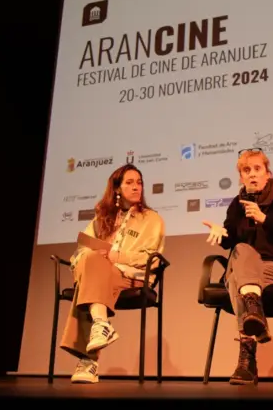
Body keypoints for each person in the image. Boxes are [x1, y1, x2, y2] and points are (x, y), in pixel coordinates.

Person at [202, 148, 273, 386]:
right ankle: (253, 310)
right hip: (248, 269)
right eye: (246, 170)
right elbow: (230, 239)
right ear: (240, 177)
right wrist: (221, 234)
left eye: (257, 169)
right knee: (241, 252)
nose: (252, 175)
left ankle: (246, 359)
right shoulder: (237, 204)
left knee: (236, 275)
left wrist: (265, 219)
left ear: (267, 173)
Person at [60, 164, 165, 384]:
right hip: (100, 275)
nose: (136, 187)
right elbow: (80, 251)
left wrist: (117, 256)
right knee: (91, 262)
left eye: (139, 182)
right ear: (117, 188)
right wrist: (95, 258)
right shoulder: (102, 218)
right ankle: (101, 325)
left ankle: (89, 361)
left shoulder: (151, 219)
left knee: (88, 282)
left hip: (132, 278)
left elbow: (150, 256)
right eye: (129, 182)